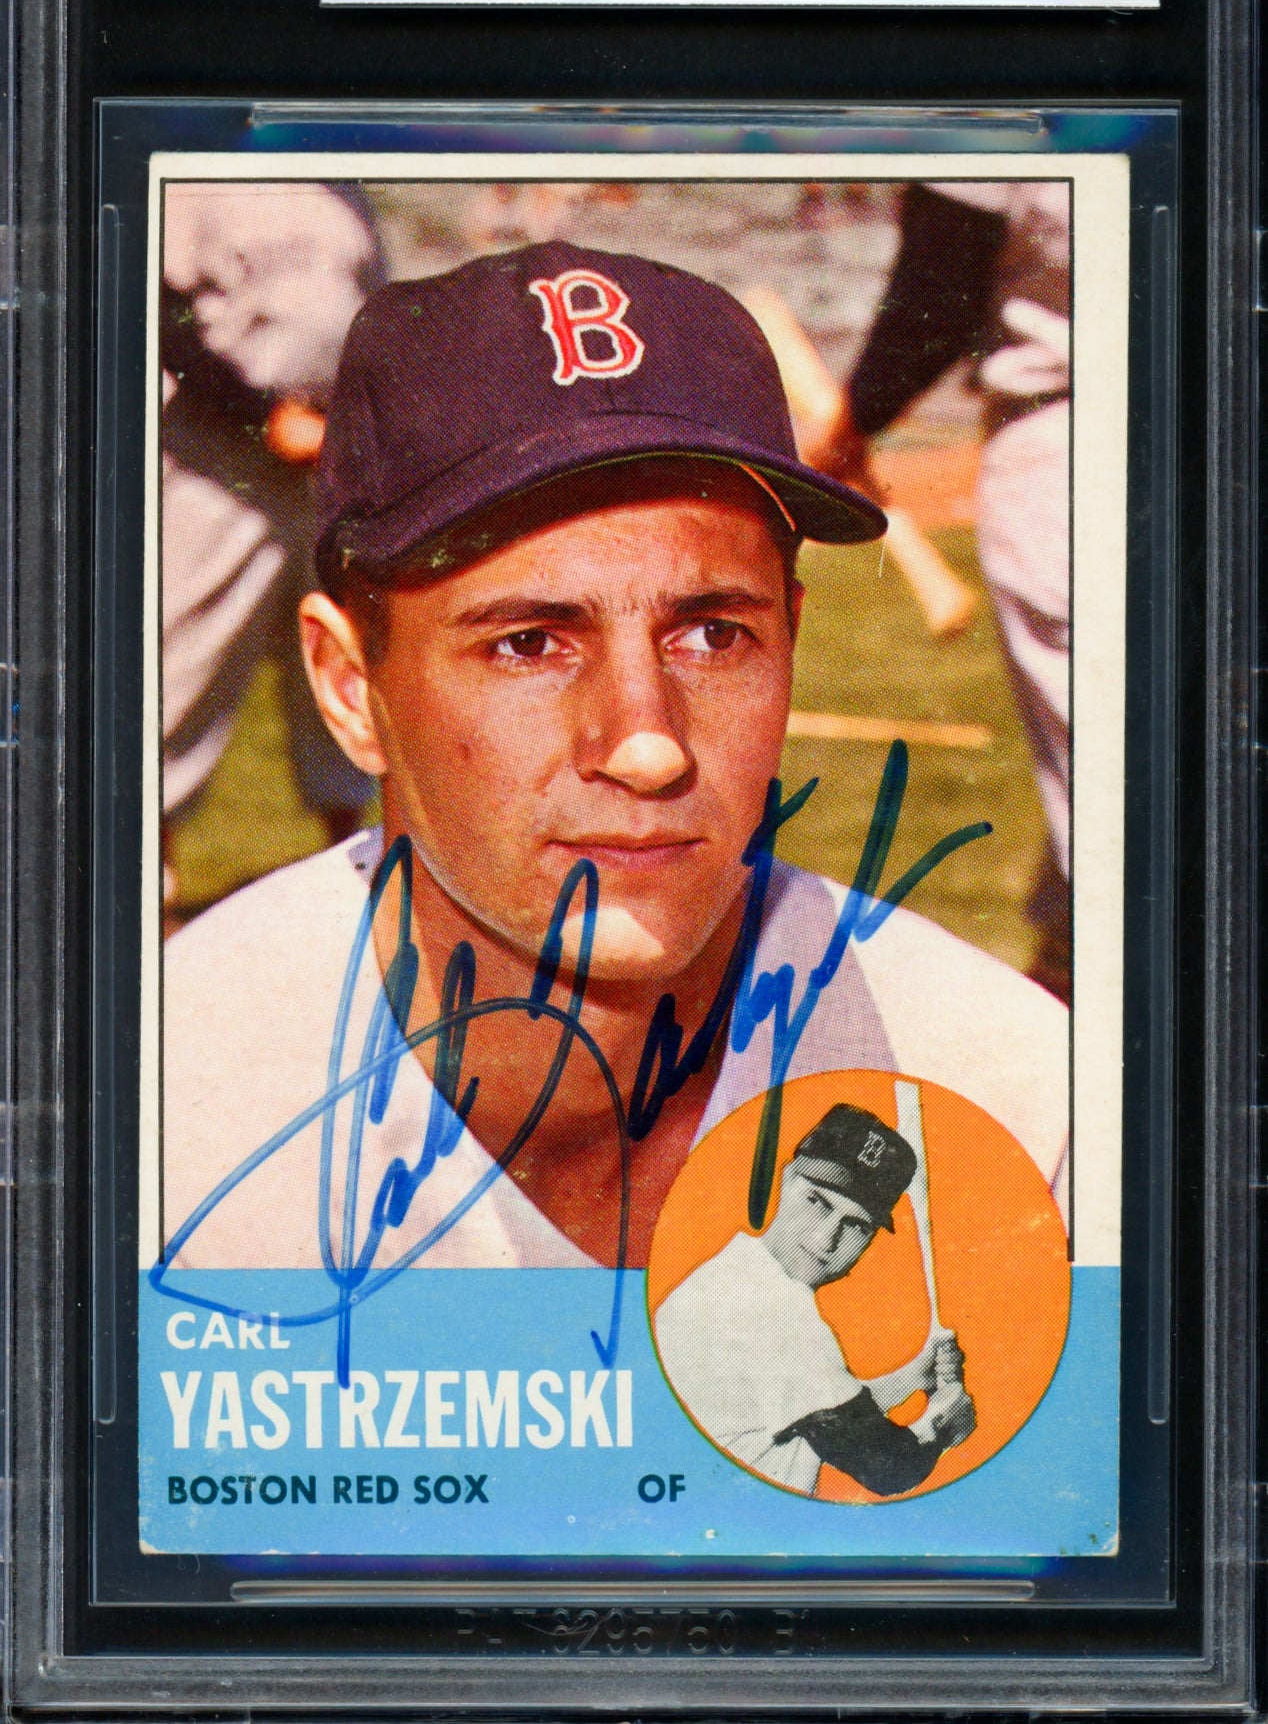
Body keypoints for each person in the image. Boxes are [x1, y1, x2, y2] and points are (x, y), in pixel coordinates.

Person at [162, 241, 1069, 1276]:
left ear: (790, 636)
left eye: (713, 635)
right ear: (347, 686)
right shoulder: (165, 1123)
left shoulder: (1008, 1098)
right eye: (527, 643)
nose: (645, 745)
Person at [803, 182, 1071, 998]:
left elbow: (941, 279)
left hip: (1066, 446)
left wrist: (850, 424)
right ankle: (1058, 1001)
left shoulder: (994, 105)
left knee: (1127, 807)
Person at [161, 182, 382, 905]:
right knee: (177, 666)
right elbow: (156, 315)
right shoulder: (201, 177)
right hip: (216, 459)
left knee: (348, 660)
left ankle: (359, 866)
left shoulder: (345, 194)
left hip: (325, 455)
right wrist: (258, 416)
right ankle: (145, 883)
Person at [654, 1104, 975, 1497]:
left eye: (856, 1225)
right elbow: (887, 1467)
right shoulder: (781, 1312)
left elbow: (817, 1416)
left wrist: (914, 1378)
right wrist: (944, 1424)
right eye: (817, 1202)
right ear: (787, 1178)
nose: (826, 1239)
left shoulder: (732, 1273)